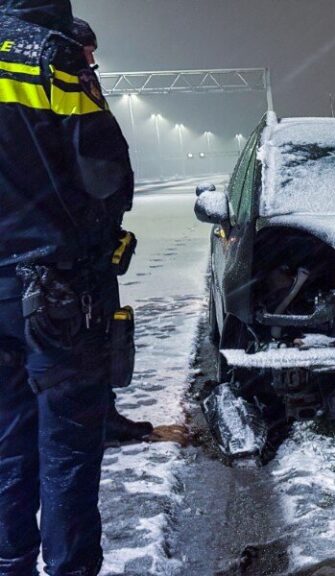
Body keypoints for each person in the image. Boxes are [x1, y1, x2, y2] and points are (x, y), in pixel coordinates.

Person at [0, 1, 131, 574]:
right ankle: (72, 568)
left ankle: (10, 564)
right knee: (69, 447)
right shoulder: (50, 55)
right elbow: (105, 177)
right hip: (56, 290)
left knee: (6, 442)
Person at [69, 16, 154, 445]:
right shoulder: (66, 86)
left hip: (98, 233)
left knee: (105, 329)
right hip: (81, 240)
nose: (93, 56)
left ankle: (103, 415)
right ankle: (94, 422)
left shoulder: (82, 82)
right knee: (90, 334)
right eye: (87, 47)